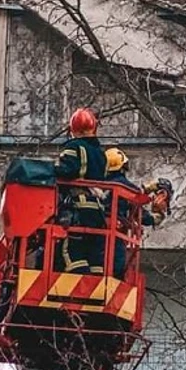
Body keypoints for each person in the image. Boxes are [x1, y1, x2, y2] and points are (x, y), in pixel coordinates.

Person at [104, 147, 173, 277]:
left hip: (93, 232)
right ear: (123, 166)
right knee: (117, 268)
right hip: (115, 233)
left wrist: (146, 189)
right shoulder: (124, 187)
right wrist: (157, 217)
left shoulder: (98, 184)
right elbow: (137, 206)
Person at [54, 108, 108, 275]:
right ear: (94, 128)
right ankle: (96, 283)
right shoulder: (101, 154)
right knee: (93, 253)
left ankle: (81, 282)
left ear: (73, 129)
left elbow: (67, 170)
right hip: (97, 210)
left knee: (71, 250)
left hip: (78, 208)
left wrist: (52, 169)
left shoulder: (74, 146)